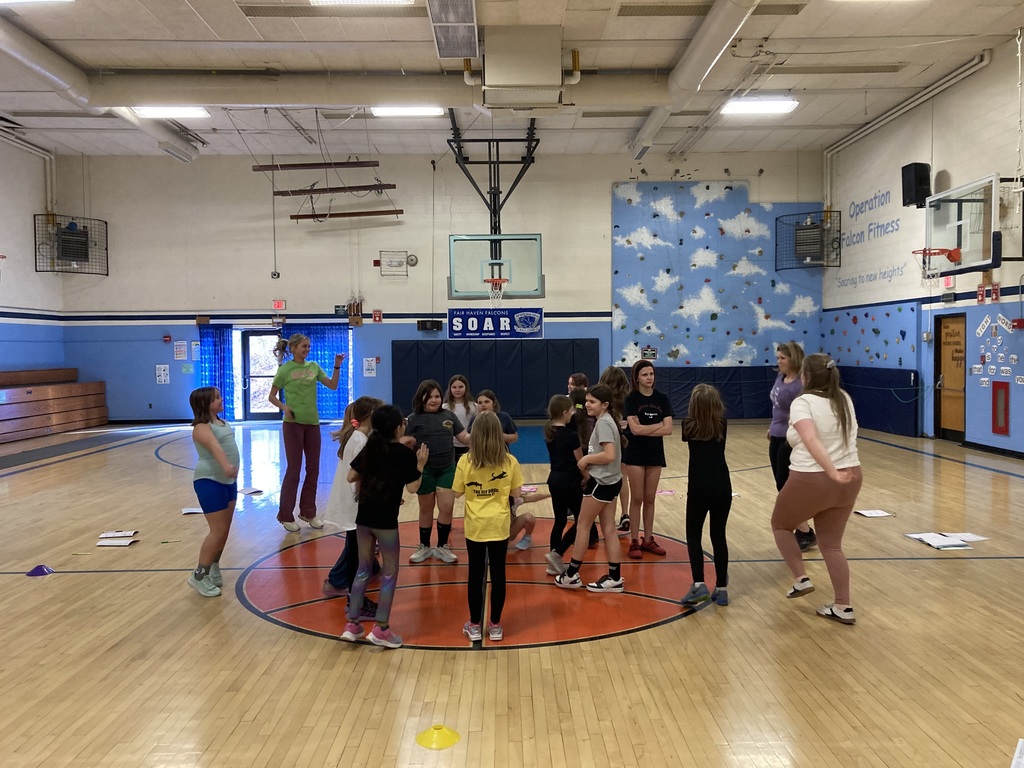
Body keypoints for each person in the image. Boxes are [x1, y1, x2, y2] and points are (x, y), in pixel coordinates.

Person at [771, 354, 863, 625]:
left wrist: (832, 472)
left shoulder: (803, 402)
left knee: (780, 524)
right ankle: (843, 606)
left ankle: (800, 578)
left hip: (814, 477)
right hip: (853, 475)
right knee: (832, 545)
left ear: (806, 377)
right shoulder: (843, 398)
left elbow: (810, 438)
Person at [341, 405, 428, 648]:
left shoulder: (371, 448)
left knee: (362, 569)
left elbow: (350, 476)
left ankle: (352, 624)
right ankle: (381, 629)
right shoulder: (404, 454)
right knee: (389, 573)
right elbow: (413, 488)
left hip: (363, 520)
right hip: (386, 523)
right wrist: (420, 465)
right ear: (398, 428)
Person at [452, 411, 524, 642]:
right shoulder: (510, 462)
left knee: (475, 574)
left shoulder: (465, 461)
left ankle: (474, 624)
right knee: (499, 574)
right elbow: (516, 494)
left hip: (475, 526)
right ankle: (495, 625)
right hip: (499, 525)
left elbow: (456, 492)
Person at [268, 333, 345, 533]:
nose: (307, 349)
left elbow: (333, 385)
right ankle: (286, 515)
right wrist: (284, 407)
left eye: (309, 346)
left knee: (314, 469)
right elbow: (272, 397)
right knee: (294, 469)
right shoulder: (285, 370)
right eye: (304, 346)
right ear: (293, 348)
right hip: (292, 424)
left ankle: (308, 512)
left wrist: (337, 366)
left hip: (312, 423)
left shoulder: (313, 367)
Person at [553, 384, 626, 593]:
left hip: (601, 483)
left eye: (592, 402)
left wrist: (586, 459)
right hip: (612, 481)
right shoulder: (607, 421)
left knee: (583, 526)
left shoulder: (603, 423)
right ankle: (614, 577)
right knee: (609, 529)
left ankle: (571, 574)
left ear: (605, 404)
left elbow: (609, 455)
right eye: (586, 401)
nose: (587, 405)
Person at [321, 396, 383, 623]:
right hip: (356, 506)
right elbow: (360, 477)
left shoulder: (358, 437)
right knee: (357, 556)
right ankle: (355, 604)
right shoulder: (360, 441)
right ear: (370, 415)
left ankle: (355, 599)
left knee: (357, 552)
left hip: (353, 505)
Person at [406, 379, 470, 564]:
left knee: (447, 507)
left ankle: (443, 546)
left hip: (447, 468)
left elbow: (464, 437)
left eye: (437, 396)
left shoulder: (448, 416)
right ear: (421, 398)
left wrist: (481, 435)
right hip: (424, 470)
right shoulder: (413, 419)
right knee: (426, 508)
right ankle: (424, 546)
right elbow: (404, 441)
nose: (434, 400)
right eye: (429, 397)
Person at [680, 384, 732, 607]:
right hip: (722, 486)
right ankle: (721, 588)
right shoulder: (722, 424)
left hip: (698, 488)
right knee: (718, 536)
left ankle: (699, 584)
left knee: (693, 536)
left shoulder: (688, 425)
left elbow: (688, 435)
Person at [187, 387, 239, 598]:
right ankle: (199, 576)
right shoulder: (201, 427)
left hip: (228, 482)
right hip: (209, 481)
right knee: (217, 530)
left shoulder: (222, 422)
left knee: (224, 529)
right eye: (216, 398)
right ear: (205, 404)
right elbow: (214, 446)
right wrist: (225, 465)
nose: (221, 399)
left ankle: (213, 566)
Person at [622, 360, 674, 559]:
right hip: (635, 453)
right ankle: (634, 540)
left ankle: (648, 538)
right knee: (637, 498)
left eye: (651, 374)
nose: (649, 378)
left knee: (650, 498)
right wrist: (657, 425)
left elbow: (668, 429)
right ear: (637, 378)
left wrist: (645, 428)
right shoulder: (631, 399)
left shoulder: (662, 398)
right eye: (645, 374)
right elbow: (634, 430)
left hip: (654, 454)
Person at [769, 341, 816, 550]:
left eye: (782, 358)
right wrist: (772, 428)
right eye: (778, 358)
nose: (778, 362)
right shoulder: (781, 378)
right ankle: (803, 529)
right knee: (781, 486)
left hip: (791, 439)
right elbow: (778, 407)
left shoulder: (801, 384)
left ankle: (805, 531)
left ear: (794, 359)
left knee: (785, 486)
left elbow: (804, 413)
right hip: (776, 435)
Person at [543, 394, 585, 576]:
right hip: (571, 481)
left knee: (559, 520)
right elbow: (580, 462)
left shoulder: (549, 431)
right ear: (565, 412)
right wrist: (587, 477)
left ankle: (553, 560)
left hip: (555, 479)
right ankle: (557, 553)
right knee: (583, 521)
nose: (574, 413)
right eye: (572, 410)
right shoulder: (571, 435)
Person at [597, 365, 632, 534]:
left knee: (609, 477)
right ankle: (625, 513)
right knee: (623, 477)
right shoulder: (628, 399)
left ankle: (608, 516)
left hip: (609, 441)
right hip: (625, 442)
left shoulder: (604, 401)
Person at [443, 374, 477, 460]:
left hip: (469, 446)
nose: (457, 390)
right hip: (450, 447)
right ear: (450, 389)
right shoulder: (444, 407)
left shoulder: (474, 406)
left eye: (460, 387)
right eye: (454, 387)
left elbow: (477, 427)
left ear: (466, 388)